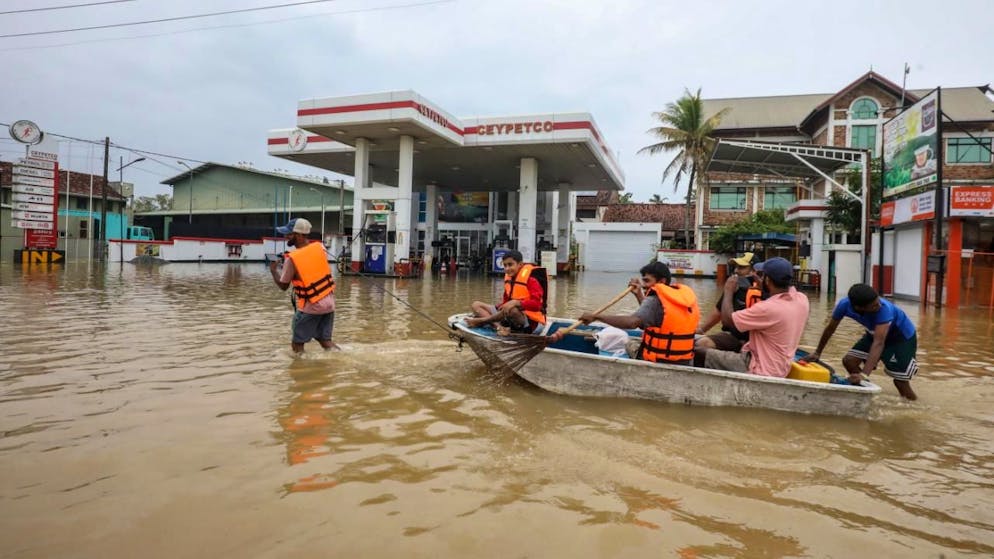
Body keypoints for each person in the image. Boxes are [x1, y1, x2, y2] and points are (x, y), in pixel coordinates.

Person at [563, 261, 699, 365]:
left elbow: (633, 322)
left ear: (662, 281)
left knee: (625, 343)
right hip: (684, 360)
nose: (644, 285)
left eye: (647, 281)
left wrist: (596, 317)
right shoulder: (682, 298)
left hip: (658, 361)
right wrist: (639, 294)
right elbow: (653, 315)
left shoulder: (654, 300)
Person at [696, 257, 809, 377]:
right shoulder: (802, 299)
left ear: (767, 279)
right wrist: (764, 290)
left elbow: (727, 321)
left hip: (757, 365)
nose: (738, 271)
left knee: (697, 351)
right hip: (766, 356)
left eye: (742, 268)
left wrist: (728, 291)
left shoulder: (767, 307)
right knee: (704, 343)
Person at [806, 283, 919, 400]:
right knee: (849, 361)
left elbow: (879, 343)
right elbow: (830, 329)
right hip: (874, 333)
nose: (879, 305)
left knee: (900, 382)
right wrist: (817, 352)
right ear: (859, 308)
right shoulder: (844, 305)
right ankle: (866, 394)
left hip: (901, 338)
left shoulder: (884, 310)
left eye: (878, 301)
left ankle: (914, 407)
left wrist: (864, 374)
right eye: (874, 306)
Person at [269, 218, 339, 353]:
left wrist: (273, 271)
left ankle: (301, 371)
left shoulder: (292, 259)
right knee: (326, 341)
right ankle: (340, 357)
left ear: (299, 235)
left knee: (297, 345)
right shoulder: (320, 248)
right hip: (329, 303)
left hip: (311, 306)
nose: (286, 236)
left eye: (289, 233)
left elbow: (284, 286)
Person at [465, 250, 547, 334]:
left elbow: (537, 305)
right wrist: (500, 306)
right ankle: (498, 327)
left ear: (520, 264)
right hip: (508, 314)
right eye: (505, 265)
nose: (507, 268)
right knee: (476, 305)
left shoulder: (531, 280)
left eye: (510, 265)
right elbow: (506, 302)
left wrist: (516, 303)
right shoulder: (509, 279)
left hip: (530, 322)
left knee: (512, 310)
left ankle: (482, 321)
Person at [695, 252, 763, 352]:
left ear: (753, 271)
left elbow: (724, 318)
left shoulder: (763, 291)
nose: (736, 271)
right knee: (701, 343)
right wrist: (701, 330)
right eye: (736, 267)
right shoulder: (734, 287)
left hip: (754, 340)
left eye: (741, 268)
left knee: (702, 344)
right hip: (734, 337)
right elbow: (718, 312)